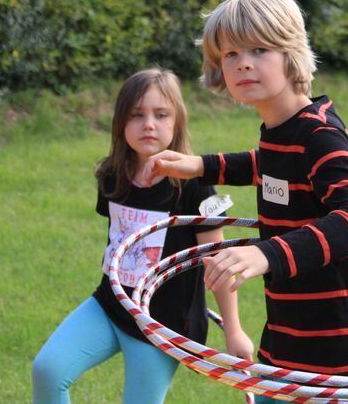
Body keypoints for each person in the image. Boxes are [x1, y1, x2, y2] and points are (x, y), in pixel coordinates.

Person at [142, 0, 348, 403]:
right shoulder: (282, 132)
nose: (243, 65)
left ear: (290, 52)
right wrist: (202, 166)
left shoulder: (319, 132)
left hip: (344, 354)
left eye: (259, 50)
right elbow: (269, 166)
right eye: (230, 55)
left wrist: (266, 254)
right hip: (289, 341)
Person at [32, 68, 253, 404]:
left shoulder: (196, 185)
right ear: (121, 122)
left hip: (161, 326)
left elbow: (218, 260)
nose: (148, 124)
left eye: (160, 114)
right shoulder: (111, 175)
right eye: (137, 115)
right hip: (111, 305)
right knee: (47, 370)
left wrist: (234, 331)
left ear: (177, 122)